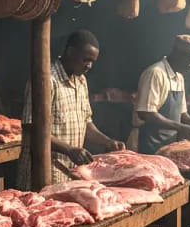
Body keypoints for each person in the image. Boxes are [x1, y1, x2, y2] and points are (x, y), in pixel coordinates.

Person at [17, 30, 124, 188]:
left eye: (92, 62)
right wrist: (69, 150)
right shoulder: (46, 80)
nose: (89, 65)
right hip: (42, 174)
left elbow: (86, 123)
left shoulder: (81, 82)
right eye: (86, 59)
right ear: (70, 52)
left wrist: (108, 142)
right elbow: (31, 127)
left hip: (69, 175)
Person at [134, 34, 190, 154]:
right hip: (150, 146)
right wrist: (181, 127)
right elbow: (146, 113)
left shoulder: (179, 77)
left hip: (170, 147)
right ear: (178, 54)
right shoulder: (155, 73)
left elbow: (183, 114)